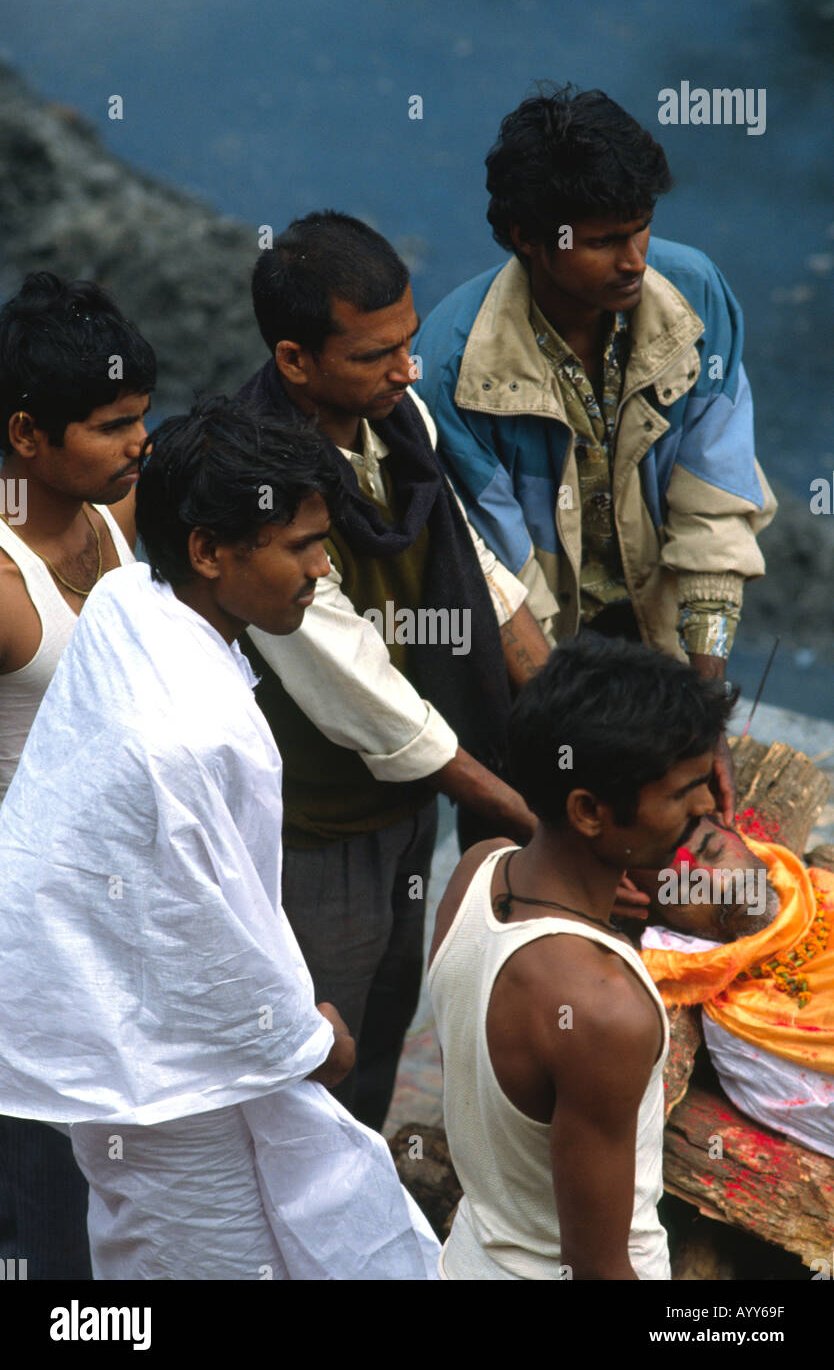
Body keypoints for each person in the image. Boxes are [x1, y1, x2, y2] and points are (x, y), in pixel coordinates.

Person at [0, 397, 439, 1279]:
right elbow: (212, 922)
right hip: (172, 1078)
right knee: (210, 1257)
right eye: (299, 547)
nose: (321, 571)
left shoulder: (131, 596)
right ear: (207, 550)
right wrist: (304, 1038)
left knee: (133, 1240)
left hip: (114, 1027)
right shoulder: (201, 733)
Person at [236, 211, 549, 1130]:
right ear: (295, 361)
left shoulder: (396, 423)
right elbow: (368, 700)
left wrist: (577, 726)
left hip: (408, 806)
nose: (408, 370)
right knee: (316, 1050)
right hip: (321, 827)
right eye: (377, 355)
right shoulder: (266, 490)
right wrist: (534, 816)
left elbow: (478, 573)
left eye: (409, 344)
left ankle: (364, 1212)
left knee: (383, 1019)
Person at [413, 84, 778, 826]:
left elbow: (715, 501)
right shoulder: (452, 367)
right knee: (547, 851)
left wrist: (702, 712)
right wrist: (588, 747)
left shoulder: (697, 295)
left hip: (658, 638)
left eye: (642, 229)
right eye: (606, 240)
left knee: (679, 865)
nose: (634, 260)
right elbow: (502, 583)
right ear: (526, 236)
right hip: (532, 675)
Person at [428, 634, 737, 1279]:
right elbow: (599, 1270)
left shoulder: (477, 870)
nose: (708, 806)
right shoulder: (604, 1010)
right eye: (683, 792)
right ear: (590, 811)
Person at [0, 271, 155, 1280]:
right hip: (26, 935)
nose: (140, 442)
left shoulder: (114, 513)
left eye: (144, 417)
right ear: (26, 437)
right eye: (111, 425)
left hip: (110, 909)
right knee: (48, 1191)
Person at [635, 815, 834, 1160]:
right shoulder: (742, 1030)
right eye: (684, 889)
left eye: (713, 850)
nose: (722, 884)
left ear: (737, 835)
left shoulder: (817, 887)